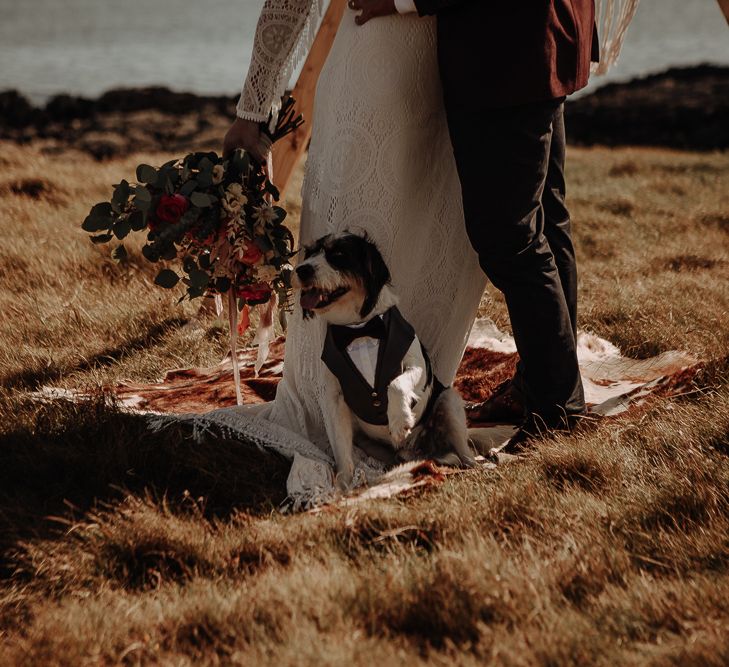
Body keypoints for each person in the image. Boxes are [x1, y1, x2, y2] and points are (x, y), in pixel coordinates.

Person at [220, 0, 486, 482]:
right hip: (386, 61)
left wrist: (254, 108)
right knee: (358, 221)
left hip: (454, 59)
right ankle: (353, 407)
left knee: (432, 230)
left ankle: (417, 406)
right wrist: (254, 105)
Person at [346, 0, 602, 452]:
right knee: (544, 217)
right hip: (538, 34)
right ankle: (543, 383)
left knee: (510, 237)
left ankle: (559, 409)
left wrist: (399, 2)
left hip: (506, 51)